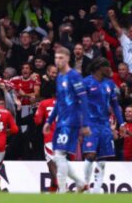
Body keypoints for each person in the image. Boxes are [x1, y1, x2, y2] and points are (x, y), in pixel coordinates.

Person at [43, 47, 91, 193]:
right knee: (58, 156)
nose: (58, 60)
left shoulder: (74, 76)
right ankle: (80, 183)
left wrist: (86, 124)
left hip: (71, 121)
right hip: (61, 121)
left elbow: (84, 100)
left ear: (68, 59)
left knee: (59, 155)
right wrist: (49, 121)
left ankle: (63, 192)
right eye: (56, 57)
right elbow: (59, 102)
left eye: (61, 58)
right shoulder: (59, 77)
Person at [82, 57, 124, 193]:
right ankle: (85, 186)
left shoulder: (110, 84)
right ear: (101, 67)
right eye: (108, 68)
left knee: (102, 158)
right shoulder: (86, 82)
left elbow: (115, 106)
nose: (111, 71)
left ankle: (96, 192)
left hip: (105, 125)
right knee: (90, 155)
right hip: (90, 124)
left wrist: (122, 123)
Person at [34, 91, 58, 192]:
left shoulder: (44, 103)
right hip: (63, 139)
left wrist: (37, 110)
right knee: (53, 169)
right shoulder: (66, 103)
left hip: (50, 138)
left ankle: (63, 186)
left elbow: (37, 121)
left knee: (51, 165)